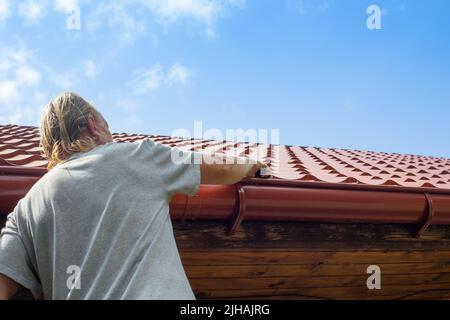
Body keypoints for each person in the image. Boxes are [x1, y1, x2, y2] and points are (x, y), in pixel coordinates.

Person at [0, 92, 267, 300]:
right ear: (93, 126)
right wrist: (253, 165)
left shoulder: (26, 209)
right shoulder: (135, 157)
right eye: (108, 126)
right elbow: (220, 167)